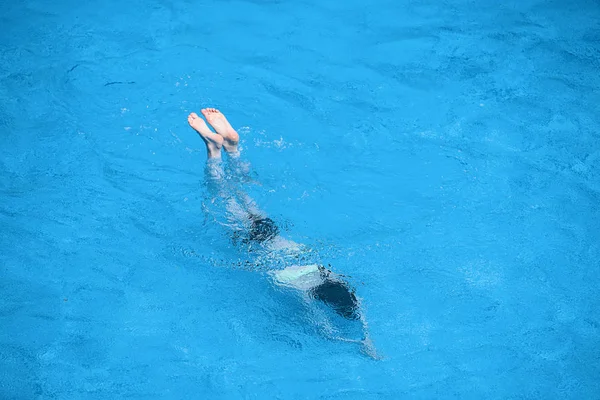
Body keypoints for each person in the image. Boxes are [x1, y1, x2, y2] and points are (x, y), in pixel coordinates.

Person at [187, 108, 379, 359]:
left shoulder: (334, 277)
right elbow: (324, 327)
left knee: (247, 196)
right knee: (220, 198)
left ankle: (233, 151)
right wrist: (363, 344)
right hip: (259, 253)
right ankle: (214, 151)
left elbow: (360, 310)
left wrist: (367, 335)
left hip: (282, 242)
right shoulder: (305, 296)